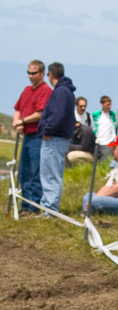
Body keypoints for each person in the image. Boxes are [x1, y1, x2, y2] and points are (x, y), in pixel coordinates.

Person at [12, 59, 52, 216]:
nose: (30, 76)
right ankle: (25, 204)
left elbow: (40, 113)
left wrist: (22, 120)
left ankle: (34, 205)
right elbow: (17, 108)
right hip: (27, 135)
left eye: (34, 73)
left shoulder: (45, 90)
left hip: (37, 136)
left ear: (42, 73)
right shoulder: (26, 90)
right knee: (24, 172)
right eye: (28, 73)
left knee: (36, 172)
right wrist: (18, 123)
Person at [38, 62, 76, 215]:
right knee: (50, 172)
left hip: (55, 138)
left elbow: (57, 114)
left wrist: (47, 129)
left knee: (51, 173)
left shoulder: (61, 92)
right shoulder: (65, 91)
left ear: (51, 75)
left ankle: (50, 208)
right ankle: (47, 205)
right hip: (58, 137)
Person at [92, 96, 117, 161]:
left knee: (106, 162)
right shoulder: (95, 115)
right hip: (97, 142)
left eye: (110, 104)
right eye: (107, 105)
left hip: (108, 143)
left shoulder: (114, 115)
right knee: (95, 163)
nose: (109, 106)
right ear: (102, 104)